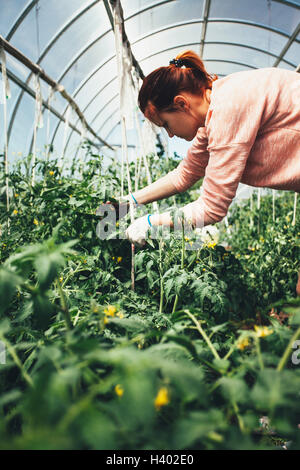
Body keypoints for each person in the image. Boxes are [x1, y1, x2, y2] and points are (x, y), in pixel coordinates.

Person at [123, 50, 300, 248]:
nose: (170, 134)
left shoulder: (227, 111)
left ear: (181, 103)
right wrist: (128, 201)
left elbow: (211, 208)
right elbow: (184, 175)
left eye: (165, 124)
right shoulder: (217, 110)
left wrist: (150, 223)